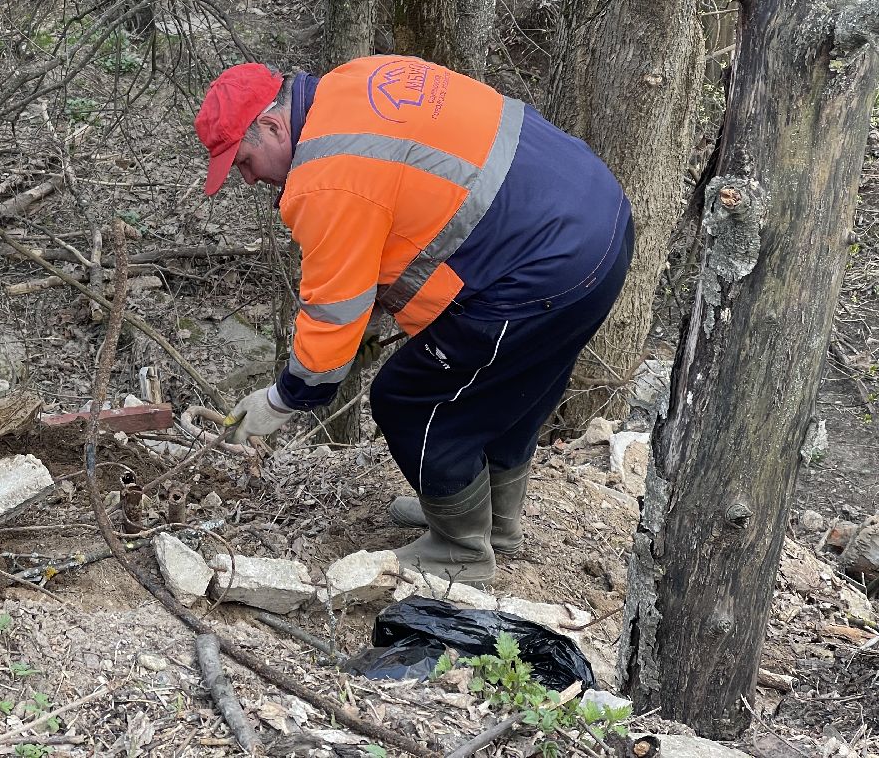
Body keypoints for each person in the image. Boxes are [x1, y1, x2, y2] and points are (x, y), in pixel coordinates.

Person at [196, 56, 633, 585]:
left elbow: (333, 311)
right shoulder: (352, 83)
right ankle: (492, 522)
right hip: (597, 215)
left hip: (547, 261)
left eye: (244, 161)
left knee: (409, 399)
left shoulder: (326, 177)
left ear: (271, 126)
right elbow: (405, 210)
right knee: (506, 386)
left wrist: (283, 399)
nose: (248, 179)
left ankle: (461, 549)